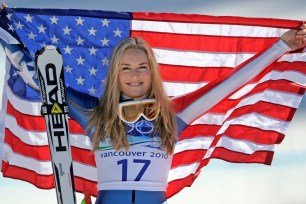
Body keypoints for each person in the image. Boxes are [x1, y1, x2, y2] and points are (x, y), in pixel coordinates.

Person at [67, 24, 306, 204]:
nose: (135, 76)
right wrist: (29, 55)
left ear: (153, 73)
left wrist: (282, 46)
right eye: (126, 68)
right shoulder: (94, 115)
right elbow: (44, 83)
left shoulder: (171, 116)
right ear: (115, 74)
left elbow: (230, 84)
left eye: (142, 68)